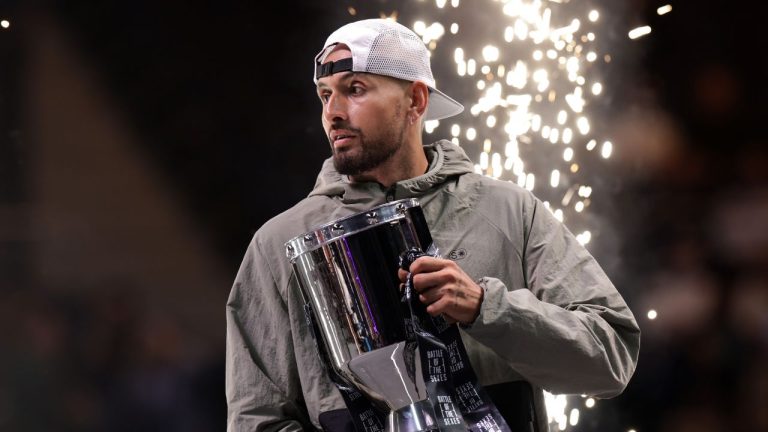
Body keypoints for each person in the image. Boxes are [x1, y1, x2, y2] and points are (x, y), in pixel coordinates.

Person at [226, 18, 640, 432]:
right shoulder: (279, 244)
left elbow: (610, 361)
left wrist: (487, 309)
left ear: (416, 101)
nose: (332, 113)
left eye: (354, 90)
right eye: (324, 95)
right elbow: (256, 419)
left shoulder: (510, 211)